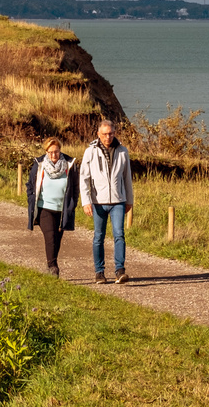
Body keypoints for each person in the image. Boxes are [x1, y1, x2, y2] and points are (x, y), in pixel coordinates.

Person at [79, 119, 133, 284]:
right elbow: (84, 178)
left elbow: (127, 178)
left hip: (118, 200)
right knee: (98, 237)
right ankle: (99, 272)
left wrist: (129, 200)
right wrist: (86, 201)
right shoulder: (90, 152)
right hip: (98, 202)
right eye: (104, 134)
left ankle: (120, 270)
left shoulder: (123, 151)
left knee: (119, 234)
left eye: (110, 133)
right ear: (98, 134)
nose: (108, 137)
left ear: (114, 133)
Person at [26, 137, 77, 277]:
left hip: (62, 209)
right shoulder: (39, 164)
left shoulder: (69, 165)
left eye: (56, 152)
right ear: (46, 152)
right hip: (44, 207)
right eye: (50, 152)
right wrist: (31, 199)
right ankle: (53, 267)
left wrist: (73, 204)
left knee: (57, 239)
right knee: (50, 236)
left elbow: (75, 187)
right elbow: (30, 185)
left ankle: (50, 264)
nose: (54, 155)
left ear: (60, 150)